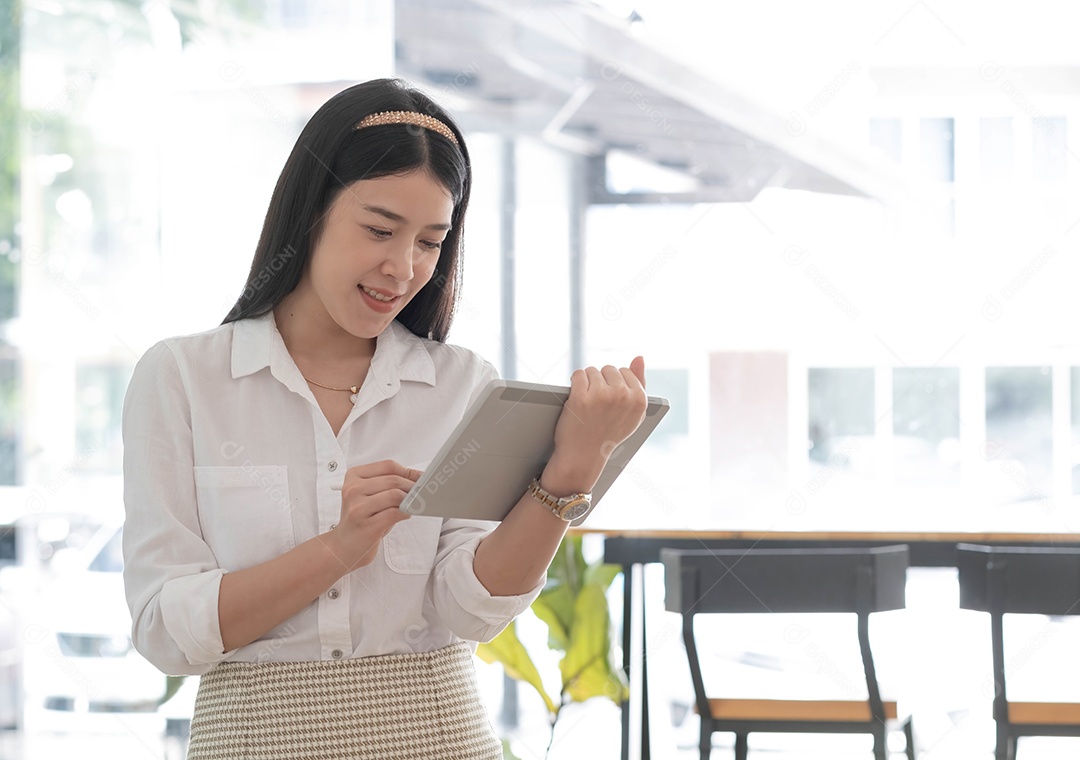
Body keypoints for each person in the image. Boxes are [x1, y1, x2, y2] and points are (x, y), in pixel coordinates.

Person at [121, 78, 647, 759]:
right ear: (310, 211)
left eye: (431, 242)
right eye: (378, 229)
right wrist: (337, 550)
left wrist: (575, 468)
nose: (402, 269)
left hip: (440, 737)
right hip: (249, 741)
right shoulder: (182, 379)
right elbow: (165, 629)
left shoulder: (462, 385)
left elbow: (471, 609)